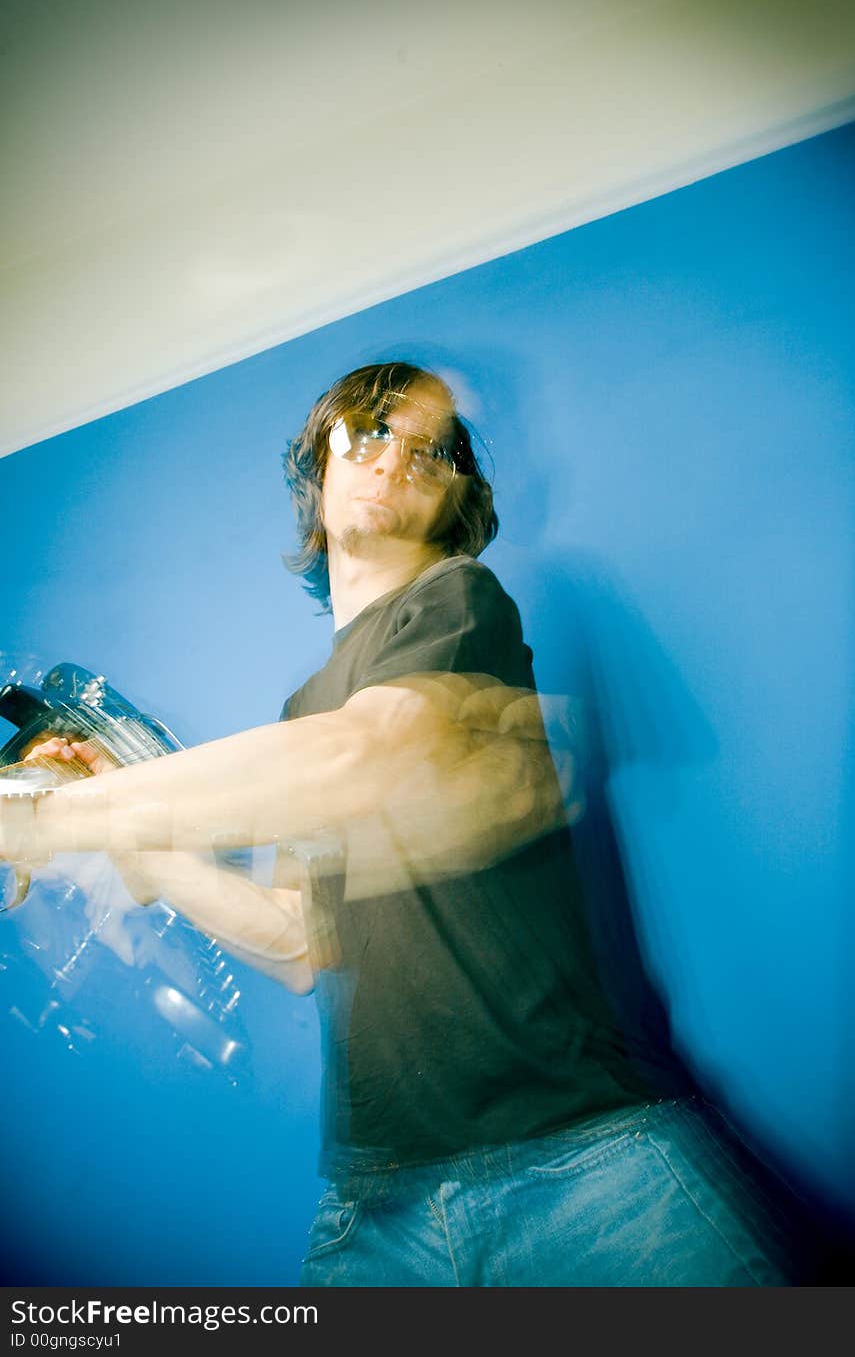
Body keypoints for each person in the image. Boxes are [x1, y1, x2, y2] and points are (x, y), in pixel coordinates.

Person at [2, 361, 802, 1285]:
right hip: (377, 1209)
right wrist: (117, 831)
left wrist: (49, 816)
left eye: (433, 451)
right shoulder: (305, 710)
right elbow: (301, 942)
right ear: (319, 470)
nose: (396, 460)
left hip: (583, 1163)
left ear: (453, 504)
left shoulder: (459, 599)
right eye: (369, 432)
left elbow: (372, 758)